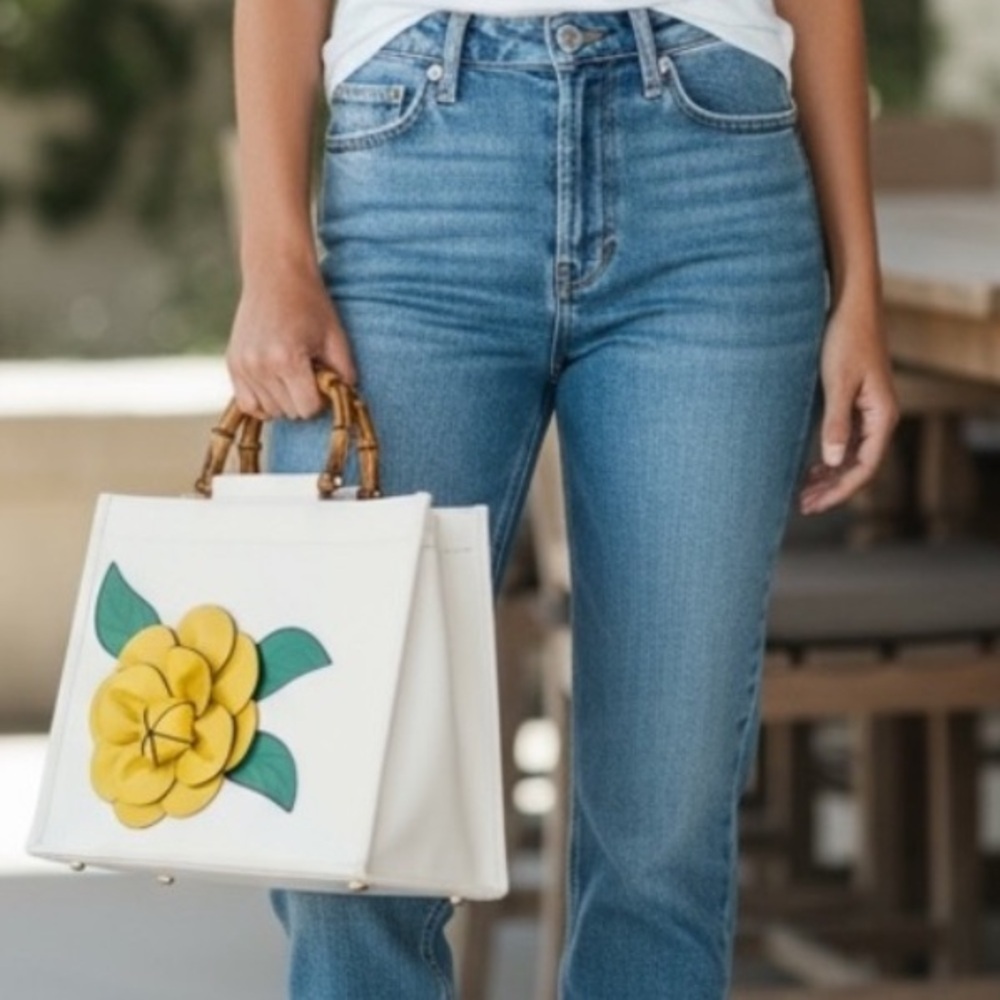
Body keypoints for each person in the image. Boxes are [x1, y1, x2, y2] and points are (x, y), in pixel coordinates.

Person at [225, 2, 899, 997]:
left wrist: (860, 291)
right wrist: (272, 255)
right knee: (339, 795)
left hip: (714, 168)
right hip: (417, 171)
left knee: (661, 832)